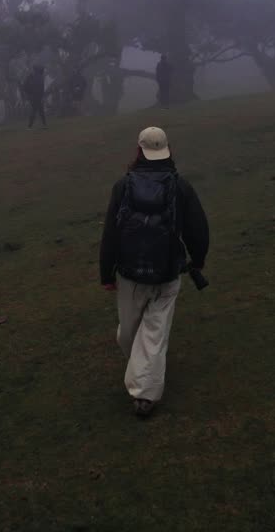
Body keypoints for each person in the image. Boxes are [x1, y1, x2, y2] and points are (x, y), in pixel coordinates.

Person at [99, 126, 209, 418]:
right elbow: (198, 228)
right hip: (167, 271)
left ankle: (144, 394)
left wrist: (106, 274)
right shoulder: (180, 186)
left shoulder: (122, 186)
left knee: (130, 331)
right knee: (152, 331)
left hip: (129, 274)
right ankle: (145, 378)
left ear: (139, 150)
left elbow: (110, 233)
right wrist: (198, 260)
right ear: (167, 149)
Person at [22, 65, 48, 129]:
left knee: (37, 110)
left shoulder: (32, 77)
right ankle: (34, 125)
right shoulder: (37, 77)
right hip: (36, 96)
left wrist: (29, 93)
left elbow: (25, 86)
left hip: (34, 96)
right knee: (38, 110)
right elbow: (41, 88)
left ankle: (32, 125)